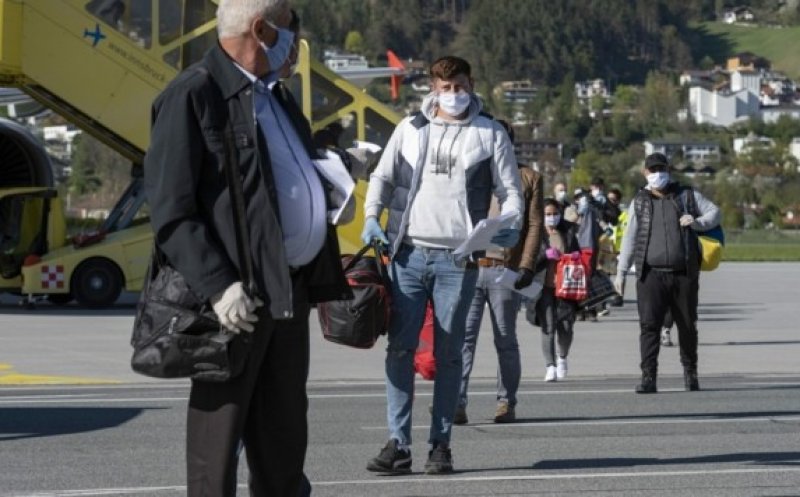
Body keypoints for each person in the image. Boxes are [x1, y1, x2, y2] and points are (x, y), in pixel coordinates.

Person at [143, 1, 352, 495]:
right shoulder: (194, 94)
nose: (293, 47)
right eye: (287, 34)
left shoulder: (275, 97)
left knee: (283, 443)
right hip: (234, 305)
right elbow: (172, 210)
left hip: (287, 294)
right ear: (261, 30)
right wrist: (219, 287)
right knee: (216, 456)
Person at [361, 55, 524, 475]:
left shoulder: (489, 134)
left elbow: (511, 191)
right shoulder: (410, 130)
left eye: (460, 86)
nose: (453, 94)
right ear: (433, 87)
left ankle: (441, 445)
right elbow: (381, 176)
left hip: (459, 259)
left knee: (450, 355)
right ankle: (398, 443)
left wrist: (509, 225)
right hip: (408, 254)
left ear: (471, 84)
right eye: (445, 87)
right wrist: (370, 218)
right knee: (400, 349)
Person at [457, 119, 543, 425]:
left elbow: (534, 226)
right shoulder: (468, 173)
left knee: (505, 338)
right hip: (469, 266)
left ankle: (506, 402)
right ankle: (456, 402)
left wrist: (527, 264)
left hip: (503, 270)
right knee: (462, 339)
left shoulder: (528, 177)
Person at [615, 152, 720, 394]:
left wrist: (696, 222)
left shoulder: (687, 196)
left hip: (683, 273)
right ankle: (648, 376)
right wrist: (620, 272)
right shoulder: (639, 202)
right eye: (652, 170)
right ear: (645, 173)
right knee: (649, 326)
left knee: (687, 326)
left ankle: (690, 372)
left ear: (669, 170)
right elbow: (630, 238)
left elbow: (715, 213)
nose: (656, 174)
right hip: (650, 275)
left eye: (661, 169)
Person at [534, 198, 581, 381]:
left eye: (554, 214)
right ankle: (550, 365)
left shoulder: (567, 231)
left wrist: (576, 255)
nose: (551, 217)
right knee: (548, 326)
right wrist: (543, 256)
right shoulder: (536, 232)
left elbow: (576, 251)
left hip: (566, 286)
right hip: (544, 286)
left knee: (566, 327)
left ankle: (562, 357)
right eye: (547, 214)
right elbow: (528, 258)